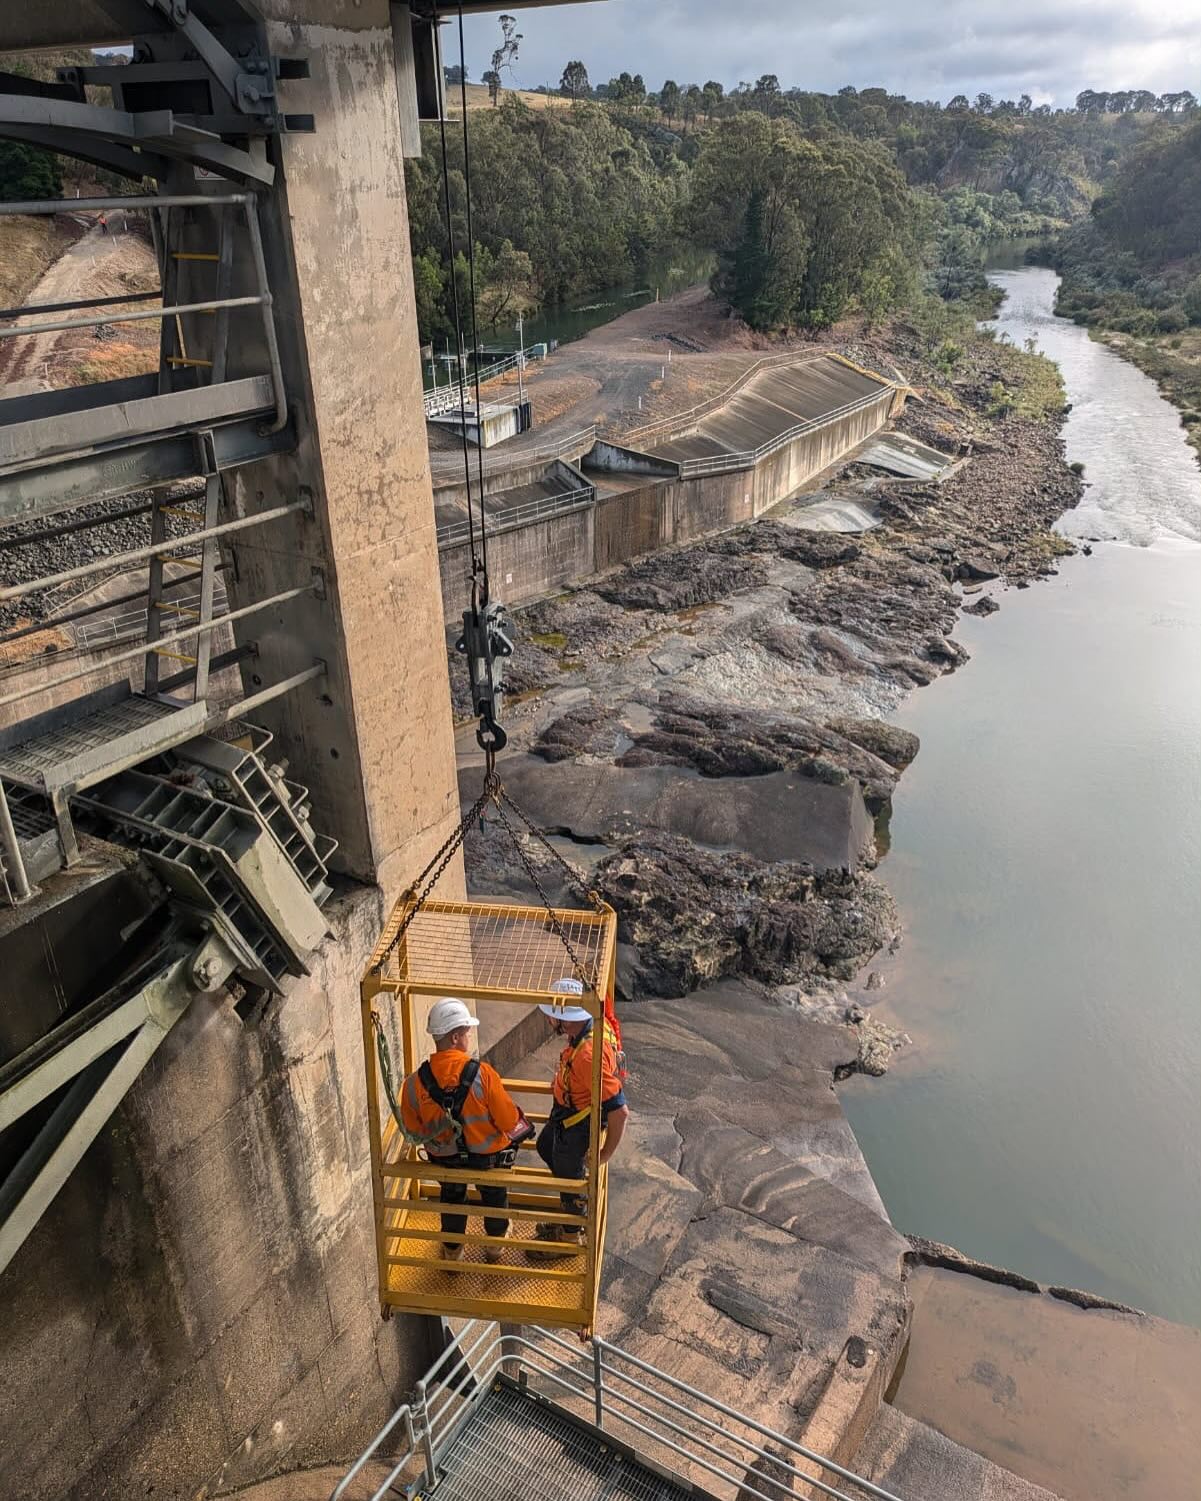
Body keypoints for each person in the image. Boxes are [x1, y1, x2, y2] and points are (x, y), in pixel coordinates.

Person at [399, 997, 532, 1265]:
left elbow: (413, 1130)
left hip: (445, 1161)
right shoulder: (483, 1074)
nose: (469, 1036)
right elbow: (507, 1121)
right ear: (456, 1037)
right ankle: (495, 1248)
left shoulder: (414, 1084)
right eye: (467, 1032)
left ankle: (453, 1252)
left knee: (452, 1198)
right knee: (495, 1196)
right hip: (488, 1160)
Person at [529, 977, 629, 1258]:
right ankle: (571, 1210)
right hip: (567, 1115)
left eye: (553, 1016)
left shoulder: (588, 1055)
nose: (549, 1019)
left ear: (565, 1021)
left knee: (569, 1176)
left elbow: (619, 1111)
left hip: (577, 1125)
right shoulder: (591, 1029)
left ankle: (570, 1235)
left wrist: (603, 1154)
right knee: (546, 1147)